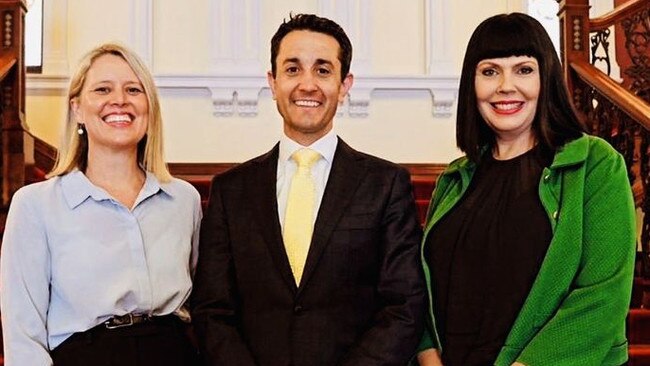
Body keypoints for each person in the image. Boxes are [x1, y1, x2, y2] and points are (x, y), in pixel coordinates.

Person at [191, 13, 425, 366]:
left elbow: (403, 306)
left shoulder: (386, 184)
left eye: (322, 70)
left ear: (345, 84)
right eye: (292, 69)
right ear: (272, 82)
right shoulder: (231, 191)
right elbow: (212, 310)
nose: (307, 84)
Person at [416, 13, 636, 366]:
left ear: (546, 78)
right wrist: (428, 357)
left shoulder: (595, 163)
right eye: (489, 71)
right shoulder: (454, 179)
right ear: (471, 85)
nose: (505, 86)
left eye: (523, 69)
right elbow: (420, 292)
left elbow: (603, 296)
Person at [0, 43, 202, 366]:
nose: (119, 100)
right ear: (77, 108)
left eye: (133, 90)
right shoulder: (35, 206)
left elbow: (200, 307)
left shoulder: (184, 200)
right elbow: (23, 338)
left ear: (149, 107)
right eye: (103, 89)